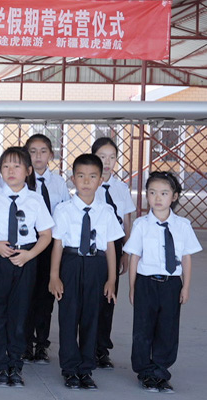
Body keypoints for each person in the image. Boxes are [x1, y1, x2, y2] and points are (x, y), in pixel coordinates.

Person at [0, 146, 53, 387]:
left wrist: (29, 255)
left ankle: (15, 365)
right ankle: (0, 364)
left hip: (25, 259)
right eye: (6, 166)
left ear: (28, 170)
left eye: (16, 166)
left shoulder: (35, 200)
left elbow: (46, 235)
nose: (10, 171)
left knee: (19, 314)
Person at [49, 154, 122, 390]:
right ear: (73, 179)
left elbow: (110, 247)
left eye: (92, 176)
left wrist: (111, 279)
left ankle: (86, 369)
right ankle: (70, 369)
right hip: (70, 264)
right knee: (69, 317)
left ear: (100, 180)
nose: (86, 181)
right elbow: (58, 244)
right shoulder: (63, 210)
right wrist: (54, 275)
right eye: (81, 176)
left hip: (96, 266)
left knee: (92, 317)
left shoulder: (107, 211)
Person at [126, 171, 201, 393]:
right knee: (143, 328)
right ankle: (145, 372)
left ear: (174, 196)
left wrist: (185, 286)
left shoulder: (183, 225)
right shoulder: (141, 224)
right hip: (146, 283)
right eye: (152, 193)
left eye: (164, 193)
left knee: (167, 329)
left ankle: (160, 371)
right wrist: (132, 287)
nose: (157, 198)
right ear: (146, 195)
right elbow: (134, 257)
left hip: (171, 284)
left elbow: (186, 257)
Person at [23, 134, 71, 364]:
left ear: (51, 155)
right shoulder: (20, 181)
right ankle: (24, 343)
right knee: (25, 295)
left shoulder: (59, 183)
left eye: (43, 151)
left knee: (45, 297)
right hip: (27, 243)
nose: (38, 156)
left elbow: (64, 213)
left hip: (51, 245)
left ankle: (41, 343)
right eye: (32, 151)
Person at [92, 136, 136, 368]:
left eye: (112, 157)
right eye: (102, 157)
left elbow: (126, 221)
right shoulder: (89, 184)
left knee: (108, 298)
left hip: (115, 246)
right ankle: (88, 345)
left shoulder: (121, 188)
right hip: (94, 246)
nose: (107, 162)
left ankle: (102, 349)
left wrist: (126, 252)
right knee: (91, 299)